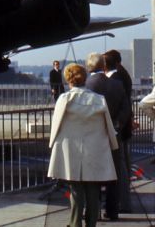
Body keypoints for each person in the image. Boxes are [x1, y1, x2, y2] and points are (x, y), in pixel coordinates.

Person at [48, 63, 118, 227]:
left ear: (68, 79)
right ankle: (91, 223)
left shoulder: (64, 99)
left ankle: (75, 223)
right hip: (94, 149)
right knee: (93, 189)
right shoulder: (98, 99)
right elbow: (108, 125)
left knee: (76, 189)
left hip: (71, 148)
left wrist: (52, 144)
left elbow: (56, 125)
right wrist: (113, 145)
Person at [85, 52, 131, 220]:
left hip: (91, 136)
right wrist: (115, 125)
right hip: (113, 135)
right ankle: (112, 212)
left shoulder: (85, 85)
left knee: (92, 175)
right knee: (113, 175)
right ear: (103, 66)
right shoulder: (117, 85)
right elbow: (126, 110)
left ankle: (93, 211)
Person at [104, 50, 134, 213]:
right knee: (124, 166)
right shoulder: (124, 75)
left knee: (121, 166)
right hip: (123, 127)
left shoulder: (115, 79)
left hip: (118, 129)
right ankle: (124, 201)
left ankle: (123, 203)